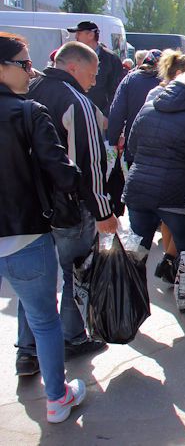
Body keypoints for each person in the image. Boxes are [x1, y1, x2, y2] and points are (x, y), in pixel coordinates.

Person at [0, 33, 88, 423]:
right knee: (44, 319)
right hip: (24, 234)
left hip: (22, 233)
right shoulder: (29, 112)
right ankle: (56, 398)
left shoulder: (30, 108)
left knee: (38, 316)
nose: (30, 69)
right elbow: (64, 174)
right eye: (22, 63)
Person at [23, 41, 118, 373]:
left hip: (30, 208)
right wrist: (104, 211)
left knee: (34, 284)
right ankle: (72, 337)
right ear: (73, 68)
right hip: (68, 208)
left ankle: (27, 349)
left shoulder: (28, 90)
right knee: (74, 274)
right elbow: (91, 165)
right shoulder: (78, 102)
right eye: (92, 75)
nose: (94, 82)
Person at [124, 70, 185, 283]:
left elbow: (131, 148)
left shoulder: (146, 110)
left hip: (139, 191)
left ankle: (127, 298)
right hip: (178, 195)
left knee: (136, 252)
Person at [107, 49, 163, 166]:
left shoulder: (130, 79)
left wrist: (114, 139)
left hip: (134, 145)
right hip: (162, 148)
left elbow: (117, 112)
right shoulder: (168, 83)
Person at [68, 21, 124, 117]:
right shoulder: (73, 57)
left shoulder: (111, 59)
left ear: (90, 35)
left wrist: (106, 116)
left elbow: (117, 92)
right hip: (76, 114)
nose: (76, 37)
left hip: (100, 117)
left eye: (79, 34)